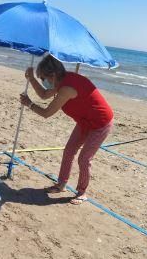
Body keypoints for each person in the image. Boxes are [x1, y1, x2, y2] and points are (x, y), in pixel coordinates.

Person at [19, 54, 113, 205]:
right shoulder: (60, 82)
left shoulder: (67, 88)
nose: (44, 82)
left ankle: (82, 192)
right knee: (69, 151)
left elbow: (46, 113)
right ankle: (61, 184)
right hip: (84, 122)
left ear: (54, 75)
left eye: (44, 78)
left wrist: (29, 104)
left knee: (84, 158)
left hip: (101, 123)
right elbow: (44, 95)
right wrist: (31, 78)